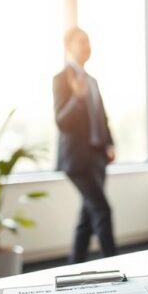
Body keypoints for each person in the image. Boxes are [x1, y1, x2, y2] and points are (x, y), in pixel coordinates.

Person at [53, 27, 117, 263]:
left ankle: (73, 265)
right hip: (77, 161)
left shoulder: (92, 80)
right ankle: (115, 264)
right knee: (102, 210)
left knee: (87, 218)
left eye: (89, 41)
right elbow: (61, 121)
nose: (88, 46)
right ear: (68, 45)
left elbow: (102, 116)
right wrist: (77, 99)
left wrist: (109, 143)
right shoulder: (61, 79)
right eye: (82, 41)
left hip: (98, 157)